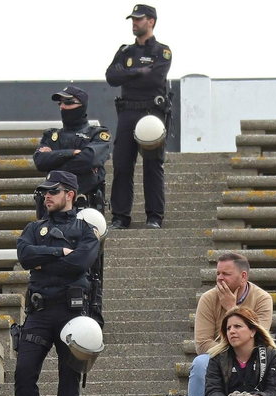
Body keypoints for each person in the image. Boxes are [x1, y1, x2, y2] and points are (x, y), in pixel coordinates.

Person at [0, 170, 102, 396]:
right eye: (44, 192)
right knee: (24, 371)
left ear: (69, 194)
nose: (46, 196)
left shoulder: (85, 231)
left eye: (52, 191)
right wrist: (60, 254)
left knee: (69, 374)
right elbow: (25, 256)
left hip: (72, 312)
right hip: (40, 312)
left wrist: (45, 260)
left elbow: (80, 264)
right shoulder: (34, 228)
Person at [105, 3, 171, 229]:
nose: (134, 22)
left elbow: (154, 79)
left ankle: (154, 216)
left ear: (151, 21)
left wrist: (128, 75)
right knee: (122, 164)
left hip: (152, 113)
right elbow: (111, 76)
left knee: (153, 165)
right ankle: (120, 216)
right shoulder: (125, 52)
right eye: (133, 19)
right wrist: (137, 71)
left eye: (139, 19)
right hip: (128, 112)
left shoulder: (162, 51)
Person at [188, 253, 274, 396]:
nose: (220, 278)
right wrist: (231, 354)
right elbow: (202, 344)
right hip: (218, 358)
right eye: (218, 273)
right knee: (200, 363)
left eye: (226, 274)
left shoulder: (262, 298)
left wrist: (232, 309)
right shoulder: (208, 298)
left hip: (251, 358)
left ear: (243, 276)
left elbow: (260, 339)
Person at [33, 85, 112, 201]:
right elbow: (40, 161)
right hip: (54, 204)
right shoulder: (51, 135)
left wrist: (54, 163)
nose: (63, 107)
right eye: (60, 103)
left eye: (68, 102)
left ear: (82, 106)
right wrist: (70, 153)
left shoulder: (97, 134)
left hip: (86, 202)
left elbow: (89, 160)